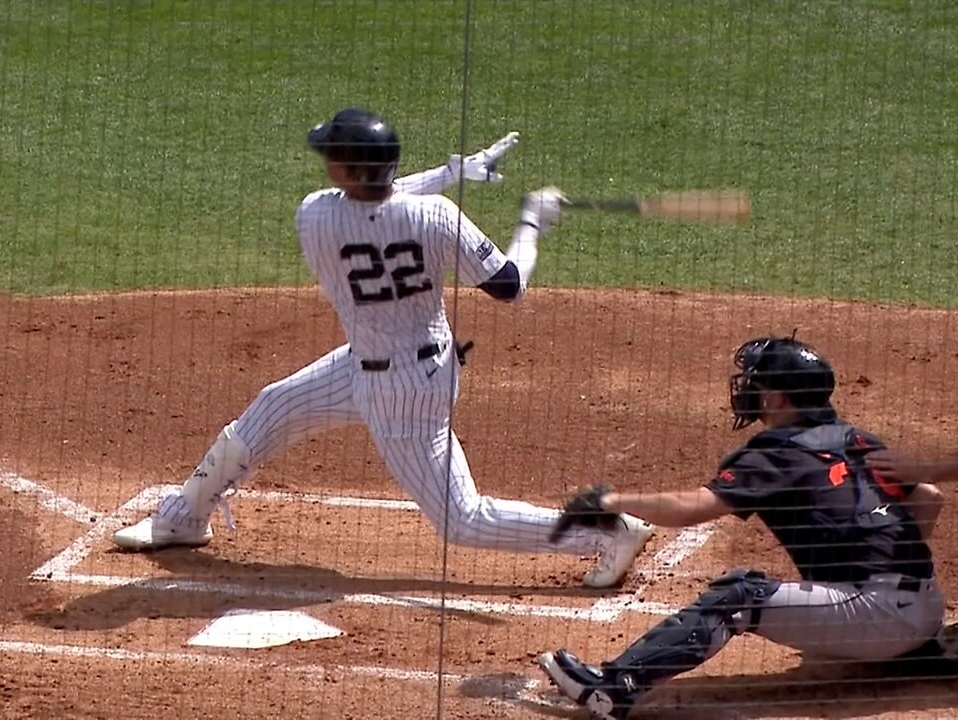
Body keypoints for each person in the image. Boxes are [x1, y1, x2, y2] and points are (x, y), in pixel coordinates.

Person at [112, 107, 654, 589]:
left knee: (461, 520)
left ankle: (605, 531)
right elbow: (508, 284)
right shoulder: (437, 216)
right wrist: (530, 220)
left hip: (399, 393)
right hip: (397, 365)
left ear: (347, 171)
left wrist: (448, 172)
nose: (325, 161)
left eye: (333, 155)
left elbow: (377, 204)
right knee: (272, 407)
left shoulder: (315, 216)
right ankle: (184, 517)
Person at [538, 335, 947, 719]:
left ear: (776, 396)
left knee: (739, 595)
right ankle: (899, 641)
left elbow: (693, 508)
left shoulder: (774, 454)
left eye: (756, 381)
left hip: (876, 622)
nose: (748, 389)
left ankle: (613, 689)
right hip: (927, 613)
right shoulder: (855, 438)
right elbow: (929, 497)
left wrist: (610, 501)